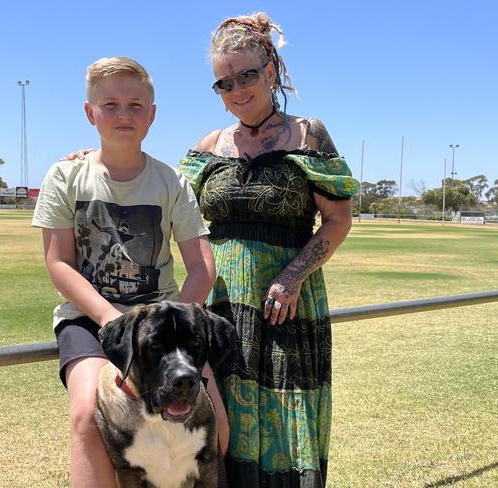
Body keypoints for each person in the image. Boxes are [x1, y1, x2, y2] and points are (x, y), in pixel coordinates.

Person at [177, 12, 360, 487]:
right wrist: (93, 158)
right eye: (223, 83)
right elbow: (166, 200)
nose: (237, 90)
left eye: (248, 75)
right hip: (220, 309)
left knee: (284, 418)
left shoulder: (308, 134)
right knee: (219, 423)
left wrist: (292, 276)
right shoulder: (209, 146)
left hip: (285, 308)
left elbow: (338, 219)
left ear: (272, 70)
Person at [31, 56, 226, 488]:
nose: (124, 114)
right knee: (87, 416)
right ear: (90, 112)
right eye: (111, 104)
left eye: (136, 105)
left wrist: (172, 318)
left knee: (218, 427)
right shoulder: (65, 177)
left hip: (162, 324)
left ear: (152, 115)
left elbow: (202, 267)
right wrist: (111, 320)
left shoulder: (171, 182)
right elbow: (58, 263)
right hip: (90, 318)